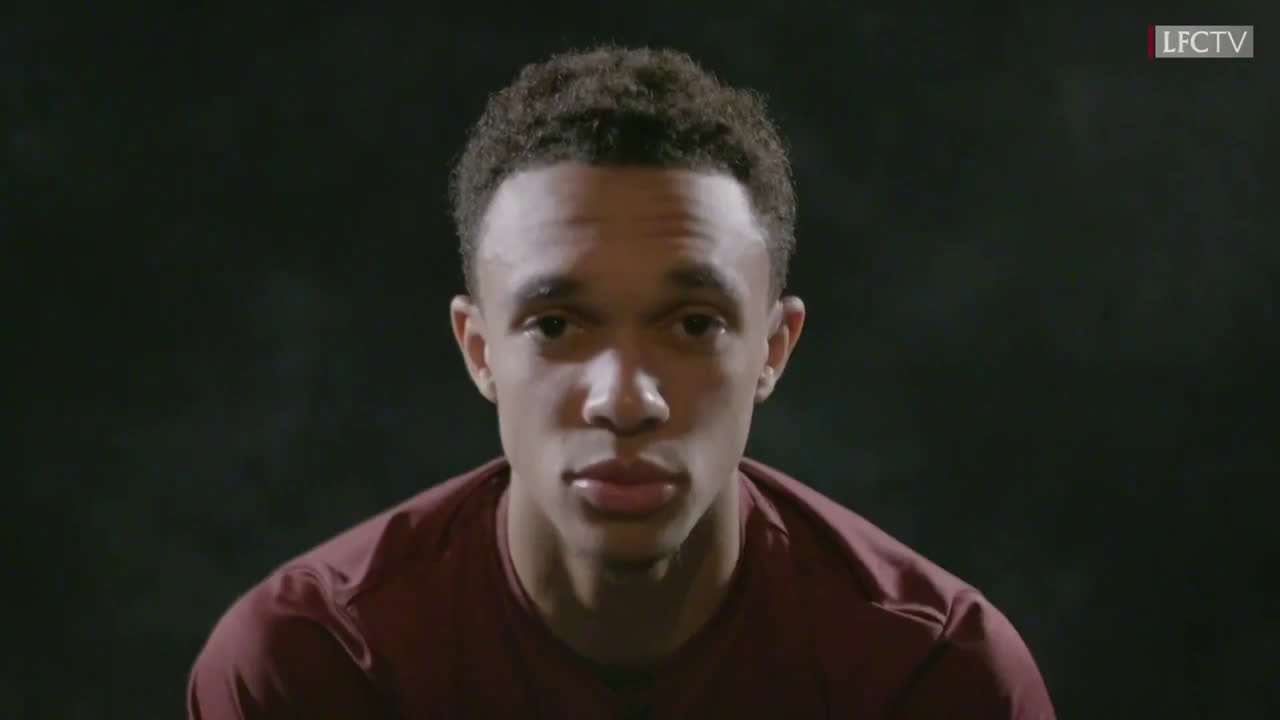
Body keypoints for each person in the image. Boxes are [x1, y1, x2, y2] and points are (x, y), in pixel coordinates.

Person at [187, 45, 1056, 719]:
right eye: (556, 326)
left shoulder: (933, 677)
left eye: (694, 325)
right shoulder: (312, 668)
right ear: (480, 350)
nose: (627, 398)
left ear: (773, 349)